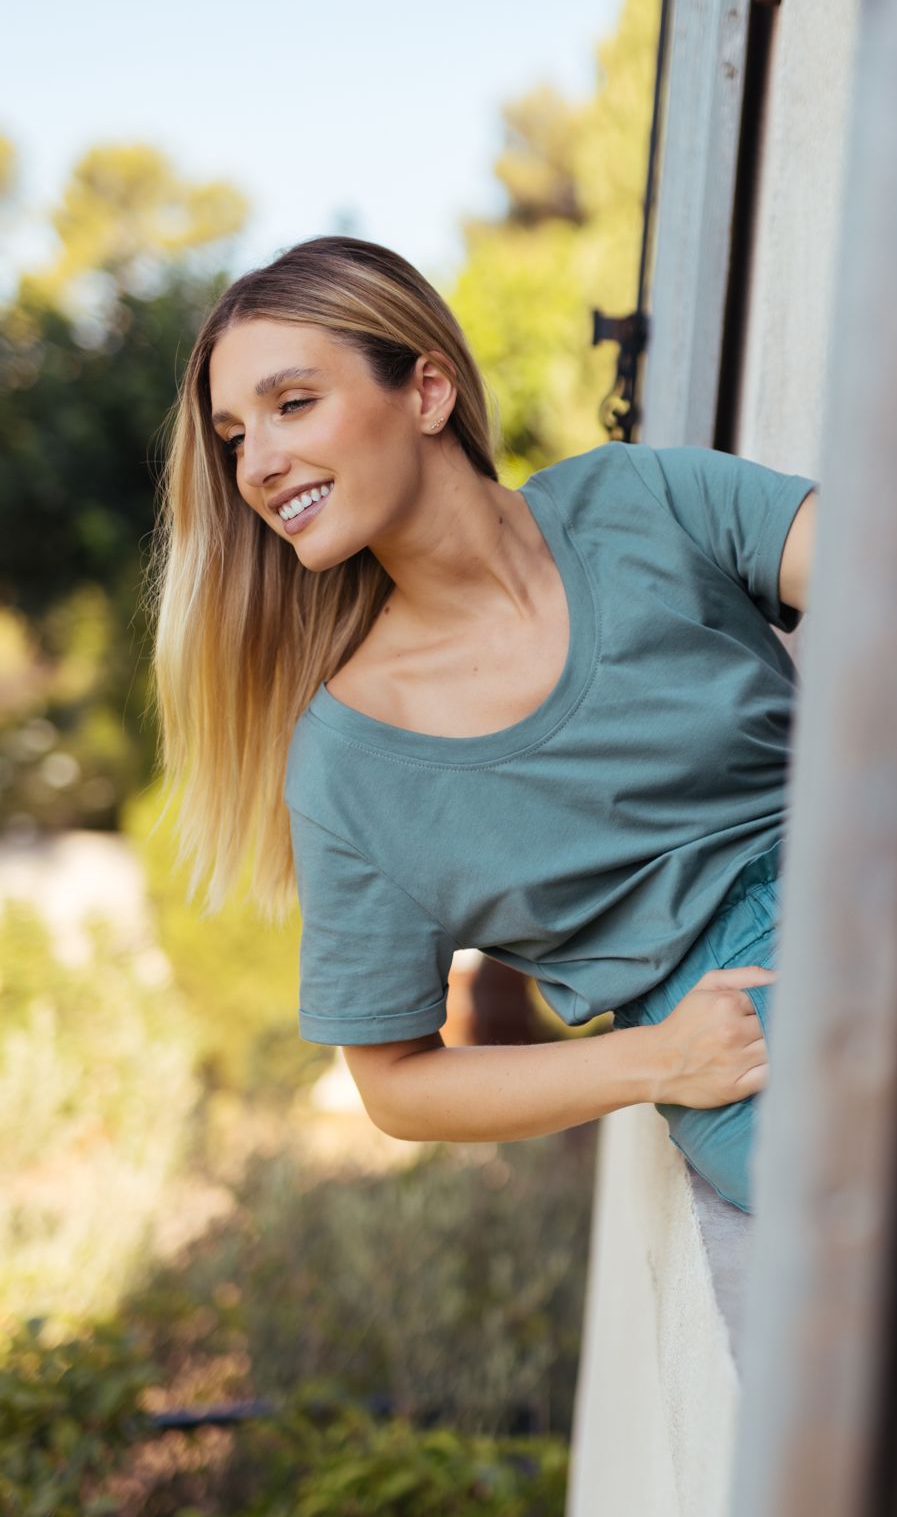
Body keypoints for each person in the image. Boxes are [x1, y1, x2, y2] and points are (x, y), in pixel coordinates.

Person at [147, 235, 819, 1214]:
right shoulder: (349, 765)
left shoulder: (636, 499)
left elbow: (896, 573)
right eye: (235, 436)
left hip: (864, 864)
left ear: (427, 392)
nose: (259, 462)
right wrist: (655, 1060)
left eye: (291, 404)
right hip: (741, 1030)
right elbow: (394, 1080)